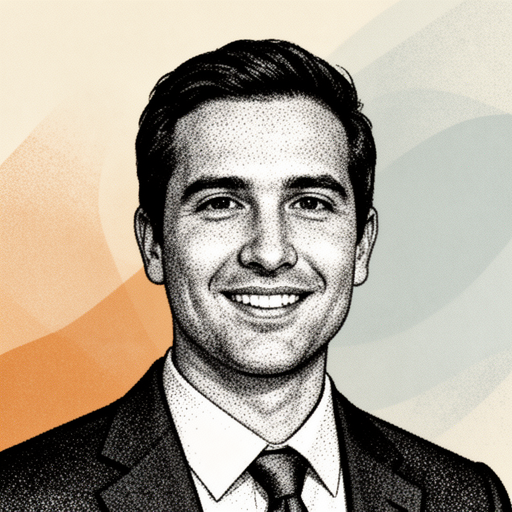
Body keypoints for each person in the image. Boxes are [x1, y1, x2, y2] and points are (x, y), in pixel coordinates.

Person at [0, 39, 509, 512]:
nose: (269, 253)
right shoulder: (19, 498)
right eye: (221, 203)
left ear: (361, 246)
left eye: (310, 203)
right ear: (153, 243)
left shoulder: (468, 499)